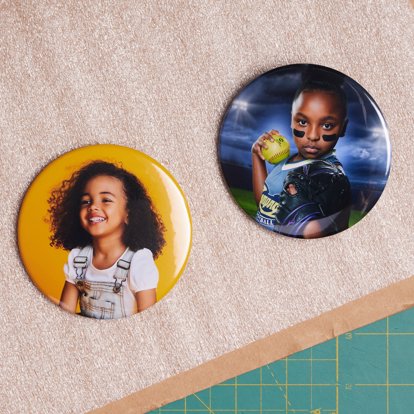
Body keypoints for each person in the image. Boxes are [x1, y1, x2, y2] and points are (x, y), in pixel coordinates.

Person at [48, 161, 166, 319]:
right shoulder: (78, 258)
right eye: (86, 201)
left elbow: (148, 321)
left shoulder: (138, 261)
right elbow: (65, 314)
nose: (93, 207)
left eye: (106, 200)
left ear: (129, 213)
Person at [252, 71, 351, 238]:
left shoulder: (327, 176)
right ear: (291, 120)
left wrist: (308, 222)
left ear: (343, 128)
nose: (312, 136)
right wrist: (256, 157)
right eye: (303, 122)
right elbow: (263, 204)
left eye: (327, 125)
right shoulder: (288, 159)